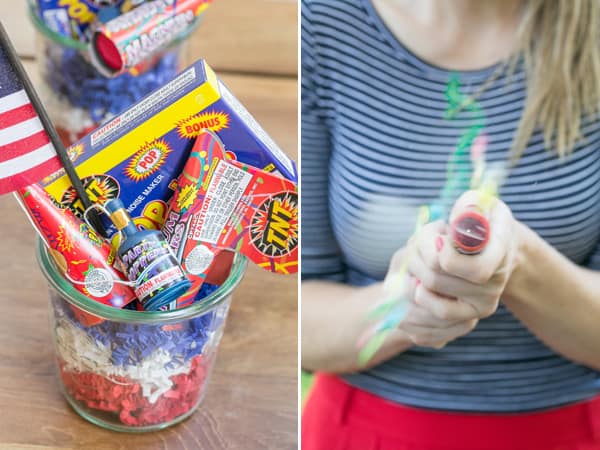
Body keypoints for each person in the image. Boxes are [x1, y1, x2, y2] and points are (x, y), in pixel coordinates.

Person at [300, 1, 600, 449]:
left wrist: (517, 262)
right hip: (366, 430)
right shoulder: (321, 21)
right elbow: (300, 318)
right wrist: (406, 301)